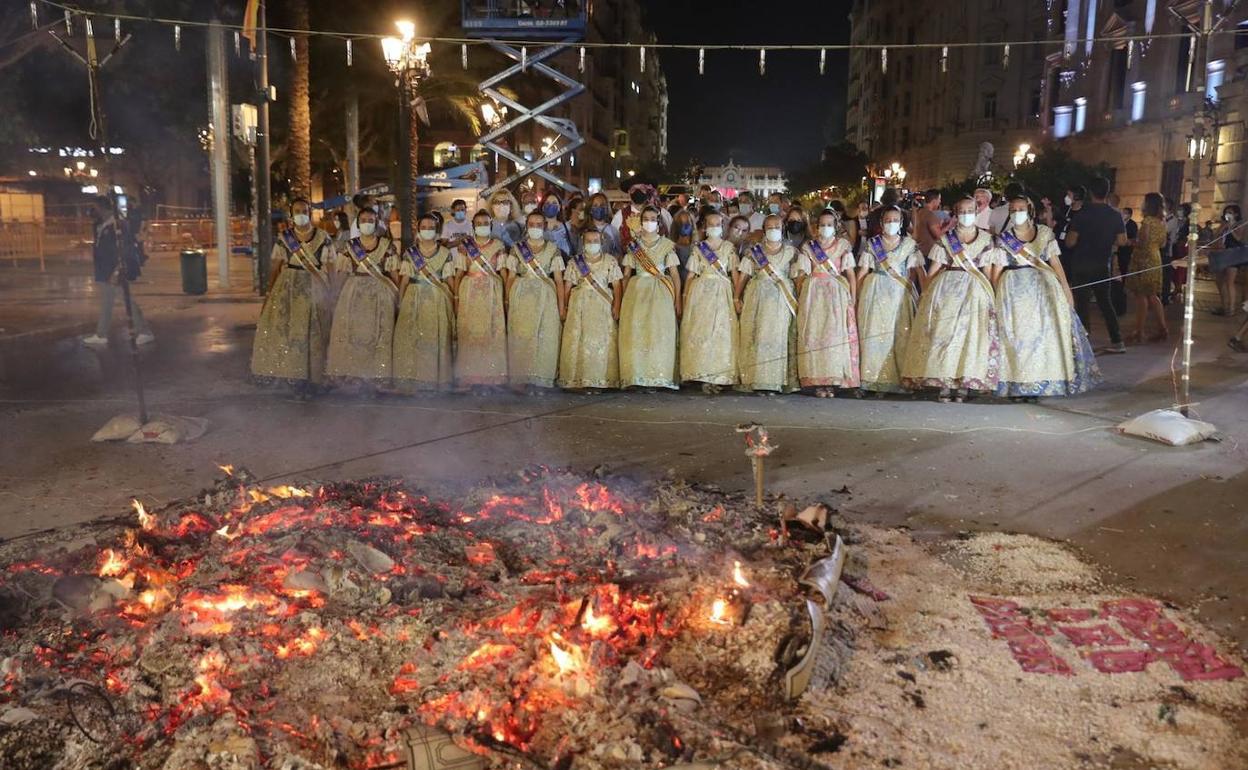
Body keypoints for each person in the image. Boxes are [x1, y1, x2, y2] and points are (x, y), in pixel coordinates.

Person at [993, 196, 1100, 399]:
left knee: (1041, 338)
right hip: (1014, 291)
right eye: (1013, 209)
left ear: (1030, 210)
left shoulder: (1044, 233)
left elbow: (1055, 263)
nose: (1017, 212)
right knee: (1018, 337)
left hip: (1044, 290)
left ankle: (1040, 381)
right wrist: (993, 293)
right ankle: (1018, 383)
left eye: (1021, 208)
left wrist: (1066, 289)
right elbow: (997, 269)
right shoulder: (1004, 238)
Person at [901, 197, 999, 402]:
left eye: (970, 210)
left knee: (969, 337)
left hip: (975, 292)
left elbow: (987, 271)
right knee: (945, 336)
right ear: (956, 213)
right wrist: (926, 296)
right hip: (946, 291)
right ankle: (944, 381)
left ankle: (963, 383)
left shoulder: (986, 240)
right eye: (962, 211)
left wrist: (993, 296)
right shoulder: (946, 240)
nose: (966, 214)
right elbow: (933, 270)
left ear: (976, 212)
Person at [249, 198, 331, 394]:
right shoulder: (284, 238)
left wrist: (332, 291)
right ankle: (293, 374)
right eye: (297, 210)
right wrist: (269, 292)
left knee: (313, 333)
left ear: (310, 212)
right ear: (292, 214)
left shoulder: (323, 237)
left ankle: (314, 377)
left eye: (304, 210)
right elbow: (276, 267)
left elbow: (331, 266)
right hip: (288, 289)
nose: (301, 213)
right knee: (289, 332)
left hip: (314, 288)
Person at [325, 207, 398, 391]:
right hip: (353, 293)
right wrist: (334, 295)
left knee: (379, 334)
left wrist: (399, 296)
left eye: (370, 220)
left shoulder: (387, 245)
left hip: (380, 294)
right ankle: (354, 374)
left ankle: (377, 376)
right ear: (358, 223)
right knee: (353, 334)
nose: (367, 223)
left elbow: (394, 273)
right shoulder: (350, 247)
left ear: (377, 223)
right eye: (363, 220)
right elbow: (342, 273)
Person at [856, 205, 923, 394]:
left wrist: (918, 294)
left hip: (899, 295)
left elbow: (914, 273)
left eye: (895, 220)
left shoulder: (909, 245)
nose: (891, 224)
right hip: (875, 292)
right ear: (881, 223)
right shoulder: (873, 244)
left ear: (901, 223)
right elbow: (862, 271)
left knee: (899, 335)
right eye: (888, 220)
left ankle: (900, 379)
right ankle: (872, 379)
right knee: (874, 336)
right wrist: (857, 296)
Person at [793, 210, 858, 396]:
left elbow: (851, 274)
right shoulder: (809, 247)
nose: (825, 228)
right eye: (822, 224)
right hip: (813, 294)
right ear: (816, 226)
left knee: (834, 336)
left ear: (836, 226)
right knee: (815, 336)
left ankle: (833, 379)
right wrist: (799, 296)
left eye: (829, 224)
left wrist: (853, 297)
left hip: (835, 293)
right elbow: (801, 274)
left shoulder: (843, 246)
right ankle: (817, 381)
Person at [391, 214, 456, 393]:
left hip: (437, 300)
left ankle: (434, 380)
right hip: (414, 298)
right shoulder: (410, 253)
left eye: (431, 227)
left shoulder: (445, 254)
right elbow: (404, 280)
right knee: (412, 340)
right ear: (418, 230)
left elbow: (450, 279)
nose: (427, 230)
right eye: (424, 227)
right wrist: (400, 303)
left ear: (437, 231)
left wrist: (454, 301)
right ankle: (412, 380)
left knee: (434, 341)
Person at [619, 206, 681, 390]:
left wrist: (678, 300)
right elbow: (626, 275)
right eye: (645, 218)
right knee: (637, 333)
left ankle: (658, 376)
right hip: (636, 293)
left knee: (658, 333)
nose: (649, 222)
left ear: (659, 222)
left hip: (661, 292)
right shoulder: (633, 246)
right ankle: (637, 376)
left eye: (653, 218)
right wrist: (621, 299)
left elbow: (675, 275)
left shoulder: (667, 245)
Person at [737, 214, 799, 393]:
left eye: (777, 226)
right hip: (757, 298)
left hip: (781, 299)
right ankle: (756, 379)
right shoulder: (753, 251)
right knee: (757, 335)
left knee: (777, 337)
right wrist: (736, 297)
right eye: (770, 227)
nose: (773, 230)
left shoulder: (791, 253)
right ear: (764, 230)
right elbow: (744, 275)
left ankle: (774, 380)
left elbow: (798, 278)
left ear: (783, 229)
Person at [1065, 176, 1127, 353]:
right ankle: (1117, 341)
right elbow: (1122, 241)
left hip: (1081, 264)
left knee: (1082, 304)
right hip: (1102, 264)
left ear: (1090, 192)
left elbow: (1070, 242)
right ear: (1107, 192)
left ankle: (1085, 342)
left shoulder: (1082, 214)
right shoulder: (1115, 215)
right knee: (1105, 303)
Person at [679, 211, 739, 392]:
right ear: (705, 228)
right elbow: (691, 275)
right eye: (711, 224)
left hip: (723, 292)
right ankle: (703, 374)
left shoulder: (729, 248)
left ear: (723, 227)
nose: (714, 227)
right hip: (701, 294)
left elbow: (734, 274)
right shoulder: (699, 248)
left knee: (721, 334)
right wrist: (685, 297)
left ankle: (719, 375)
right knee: (702, 333)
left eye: (718, 224)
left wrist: (737, 297)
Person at [83, 195, 154, 347]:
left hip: (114, 269)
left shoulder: (118, 225)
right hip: (105, 270)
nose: (91, 211)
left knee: (127, 301)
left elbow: (125, 249)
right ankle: (101, 334)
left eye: (94, 208)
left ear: (102, 208)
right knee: (109, 302)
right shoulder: (101, 225)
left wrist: (116, 271)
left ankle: (145, 332)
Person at [505, 211, 566, 391]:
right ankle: (522, 379)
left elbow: (559, 280)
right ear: (526, 226)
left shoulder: (553, 248)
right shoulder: (517, 248)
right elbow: (510, 277)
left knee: (544, 337)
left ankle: (541, 380)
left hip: (546, 298)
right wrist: (507, 303)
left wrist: (561, 307)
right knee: (522, 337)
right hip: (521, 297)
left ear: (544, 227)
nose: (535, 228)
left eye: (539, 225)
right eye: (531, 224)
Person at [559, 228, 623, 390]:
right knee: (579, 341)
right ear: (583, 242)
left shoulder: (610, 261)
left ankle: (601, 379)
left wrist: (617, 305)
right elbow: (567, 286)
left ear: (601, 242)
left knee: (601, 342)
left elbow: (616, 286)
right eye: (588, 241)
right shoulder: (575, 262)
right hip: (579, 306)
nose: (592, 244)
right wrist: (565, 306)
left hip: (603, 307)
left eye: (595, 241)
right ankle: (578, 378)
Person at [454, 210, 510, 389]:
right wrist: (455, 296)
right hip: (470, 291)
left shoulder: (499, 245)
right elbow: (459, 272)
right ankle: (471, 376)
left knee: (492, 334)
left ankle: (492, 377)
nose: (482, 226)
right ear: (473, 226)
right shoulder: (465, 246)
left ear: (491, 225)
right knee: (470, 334)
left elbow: (503, 272)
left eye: (485, 223)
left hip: (492, 292)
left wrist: (506, 296)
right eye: (478, 223)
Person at [612, 182, 673, 248]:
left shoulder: (662, 213)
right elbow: (613, 243)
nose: (637, 191)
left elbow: (671, 236)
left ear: (647, 191)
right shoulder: (620, 216)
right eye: (633, 189)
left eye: (642, 188)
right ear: (629, 192)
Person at [1211, 204, 1246, 316]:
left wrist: (1231, 227)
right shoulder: (1224, 224)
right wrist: (1222, 227)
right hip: (1222, 253)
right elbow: (1216, 236)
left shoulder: (1239, 224)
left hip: (1233, 255)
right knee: (1219, 281)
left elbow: (1238, 238)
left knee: (1229, 281)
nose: (1228, 214)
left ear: (1236, 214)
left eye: (1230, 212)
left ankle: (1231, 308)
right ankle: (1224, 305)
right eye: (1226, 212)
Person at [1111, 206, 1138, 316]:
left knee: (1121, 279)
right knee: (1116, 281)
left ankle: (1120, 307)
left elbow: (1132, 240)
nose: (1123, 215)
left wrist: (1125, 242)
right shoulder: (1117, 223)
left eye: (1125, 213)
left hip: (1125, 253)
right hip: (1115, 253)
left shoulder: (1132, 225)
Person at [585, 192, 622, 258]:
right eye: (595, 205)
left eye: (602, 205)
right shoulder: (584, 230)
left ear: (606, 208)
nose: (599, 208)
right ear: (590, 209)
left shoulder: (613, 230)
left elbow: (619, 253)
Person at [912, 189, 945, 259]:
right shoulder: (930, 215)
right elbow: (938, 235)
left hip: (919, 251)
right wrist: (950, 225)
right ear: (934, 201)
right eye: (939, 199)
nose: (940, 201)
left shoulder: (919, 212)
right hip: (929, 253)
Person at [671, 208, 697, 279]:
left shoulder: (697, 247)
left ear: (692, 224)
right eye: (681, 224)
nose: (684, 226)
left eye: (687, 223)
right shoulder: (671, 247)